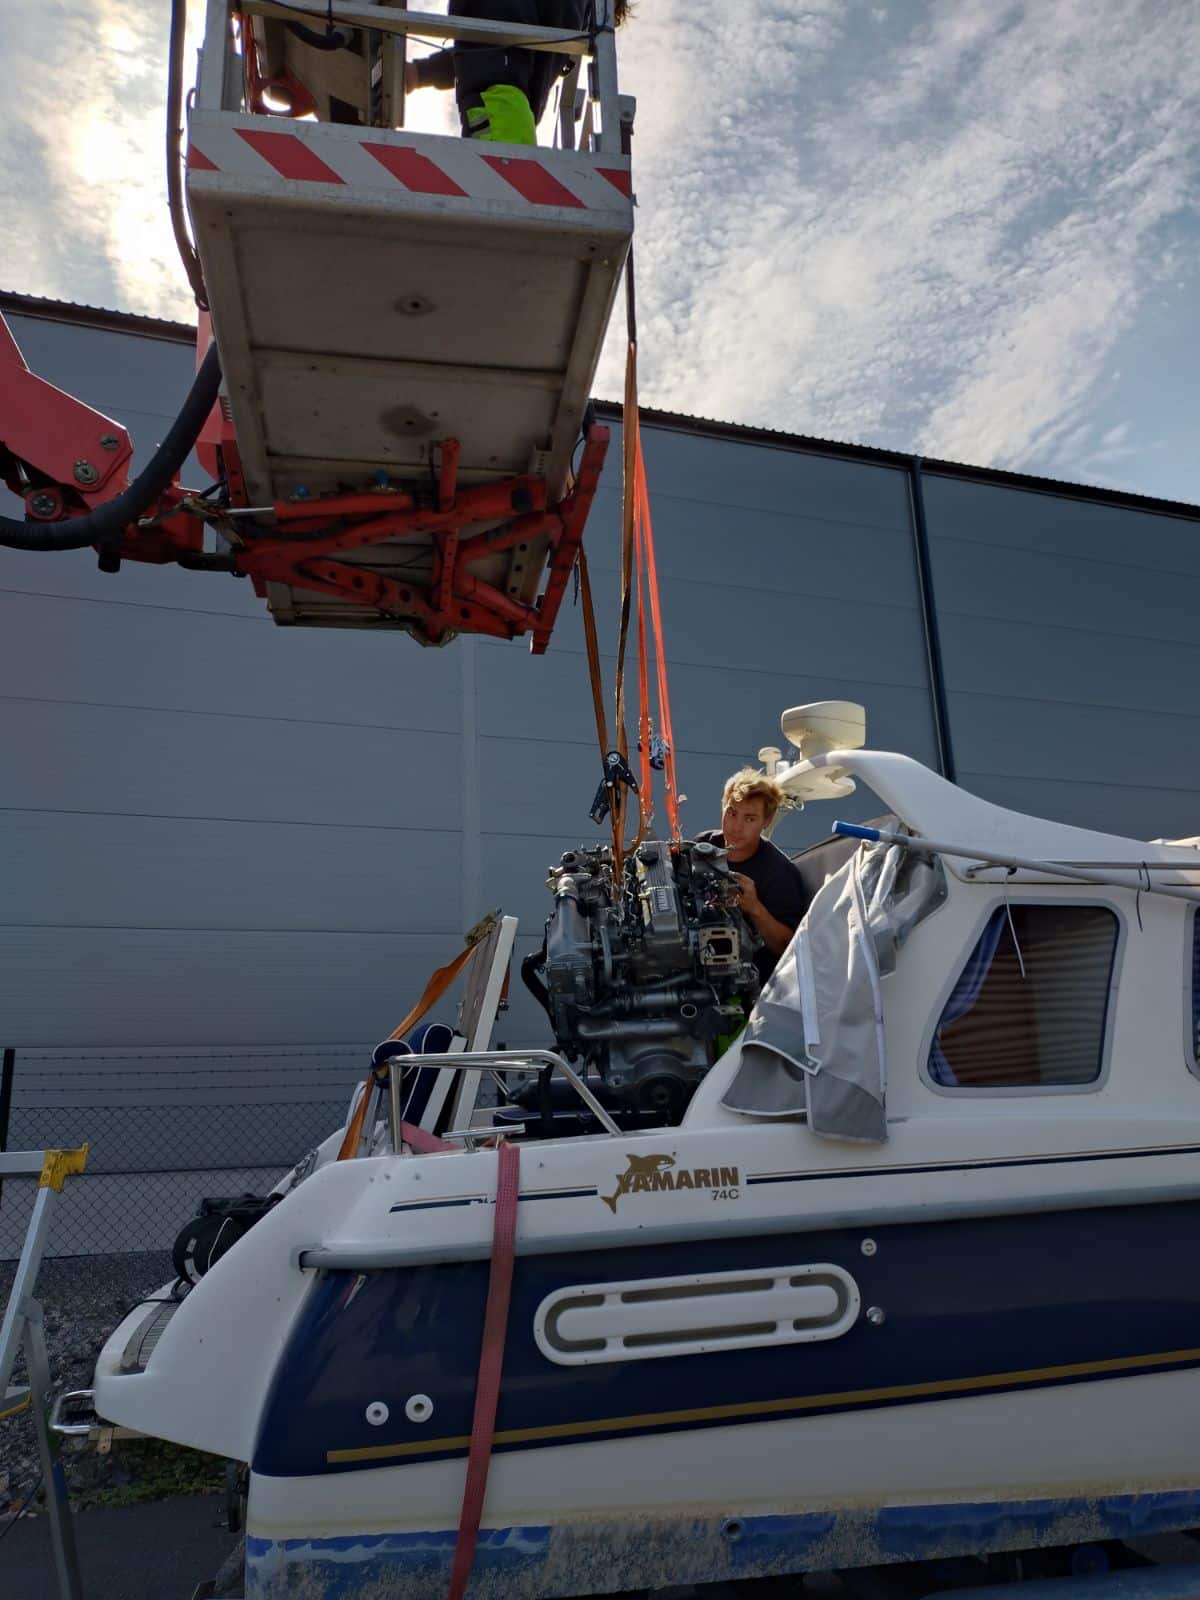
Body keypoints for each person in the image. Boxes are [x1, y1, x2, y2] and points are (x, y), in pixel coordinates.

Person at [405, 1, 632, 145]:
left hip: (504, 102)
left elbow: (485, 45)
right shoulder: (569, 12)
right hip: (504, 103)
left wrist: (420, 73)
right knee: (503, 197)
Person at [695, 769, 810, 985]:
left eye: (749, 818)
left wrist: (755, 907)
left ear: (766, 821)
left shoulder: (780, 873)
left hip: (747, 986)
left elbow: (789, 947)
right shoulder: (703, 845)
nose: (737, 827)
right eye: (732, 813)